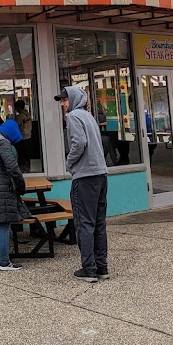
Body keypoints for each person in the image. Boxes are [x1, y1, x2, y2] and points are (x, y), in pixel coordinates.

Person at [56, 86, 109, 282]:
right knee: (98, 222)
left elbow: (78, 143)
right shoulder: (89, 116)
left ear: (74, 99)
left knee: (84, 222)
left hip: (85, 176)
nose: (62, 104)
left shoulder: (73, 117)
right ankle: (102, 267)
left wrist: (69, 163)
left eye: (64, 100)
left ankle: (89, 269)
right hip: (100, 174)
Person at [0, 117, 29, 271]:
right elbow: (12, 168)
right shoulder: (2, 144)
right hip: (3, 187)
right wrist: (21, 185)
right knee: (4, 224)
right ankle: (4, 262)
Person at [12, 99, 33, 169]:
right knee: (27, 155)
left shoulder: (19, 117)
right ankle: (28, 166)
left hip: (21, 137)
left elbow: (15, 127)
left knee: (21, 155)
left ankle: (23, 168)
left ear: (18, 107)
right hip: (29, 136)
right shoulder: (28, 115)